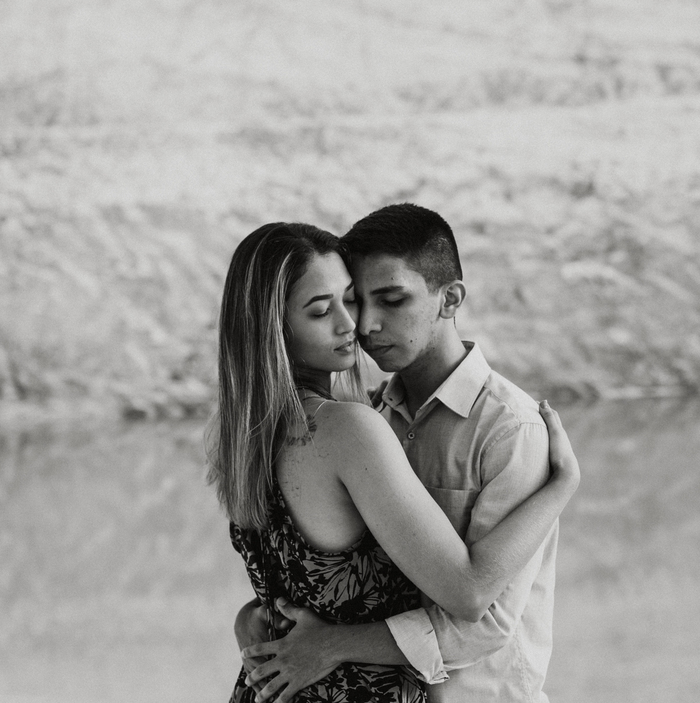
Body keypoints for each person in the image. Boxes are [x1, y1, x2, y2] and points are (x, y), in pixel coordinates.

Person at [208, 220, 580, 703]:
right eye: (323, 310)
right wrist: (563, 486)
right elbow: (467, 592)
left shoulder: (510, 428)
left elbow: (486, 623)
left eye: (358, 300)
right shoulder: (357, 423)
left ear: (450, 299)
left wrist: (302, 634)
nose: (358, 325)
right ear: (273, 330)